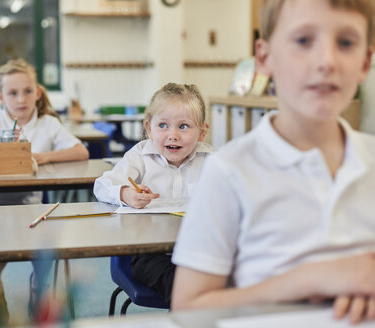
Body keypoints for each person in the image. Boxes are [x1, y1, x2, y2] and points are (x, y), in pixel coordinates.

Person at [172, 0, 375, 324]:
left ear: (365, 61)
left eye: (346, 43)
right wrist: (306, 279)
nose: (326, 61)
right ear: (265, 58)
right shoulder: (229, 170)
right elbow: (188, 309)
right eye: (303, 40)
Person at [0, 58, 89, 322]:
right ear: (1, 96)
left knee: (44, 253)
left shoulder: (48, 124)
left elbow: (81, 151)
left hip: (31, 209)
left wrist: (40, 156)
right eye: (13, 93)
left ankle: (37, 294)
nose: (21, 99)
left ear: (37, 93)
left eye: (27, 91)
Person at [94, 83, 212, 304]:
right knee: (182, 286)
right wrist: (126, 193)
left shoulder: (212, 161)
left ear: (202, 132)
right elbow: (102, 185)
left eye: (184, 126)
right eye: (163, 125)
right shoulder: (140, 155)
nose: (173, 135)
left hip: (199, 249)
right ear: (149, 128)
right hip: (150, 254)